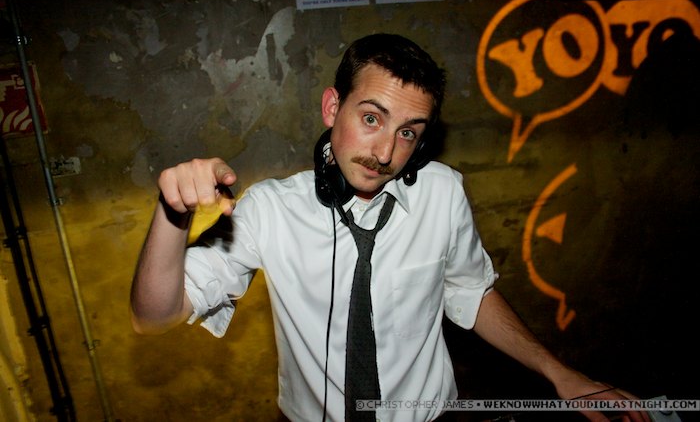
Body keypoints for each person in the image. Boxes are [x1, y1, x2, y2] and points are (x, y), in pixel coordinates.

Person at [130, 33, 649, 422]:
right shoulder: (270, 209)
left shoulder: (442, 192)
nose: (384, 153)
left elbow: (471, 292)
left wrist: (561, 374)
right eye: (371, 118)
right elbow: (153, 316)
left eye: (407, 133)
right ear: (332, 107)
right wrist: (173, 214)